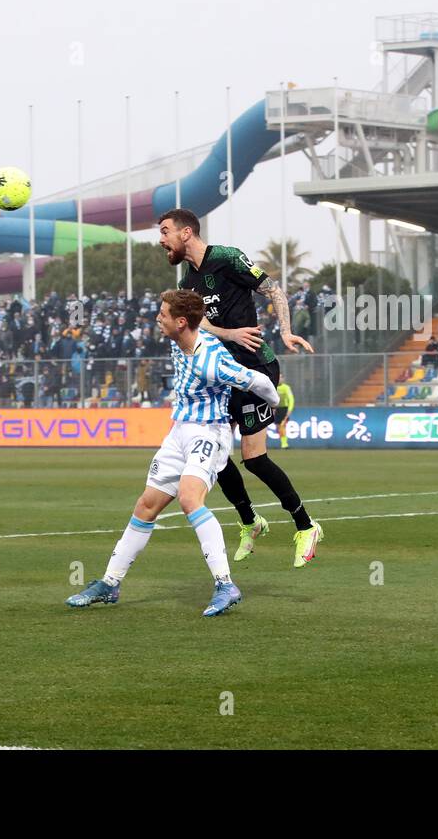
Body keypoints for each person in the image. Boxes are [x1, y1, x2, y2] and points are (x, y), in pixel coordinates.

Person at [65, 289, 281, 616]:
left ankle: (225, 584)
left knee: (189, 498)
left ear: (181, 322)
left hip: (209, 431)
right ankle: (110, 583)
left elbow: (257, 381)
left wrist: (275, 402)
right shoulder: (179, 338)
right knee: (146, 504)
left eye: (163, 314)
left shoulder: (212, 360)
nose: (157, 318)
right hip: (179, 430)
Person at [159, 208, 323, 568]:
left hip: (255, 367)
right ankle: (250, 521)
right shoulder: (189, 282)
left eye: (166, 231)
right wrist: (227, 333)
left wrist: (284, 331)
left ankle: (306, 525)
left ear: (187, 233)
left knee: (253, 458)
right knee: (217, 458)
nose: (161, 239)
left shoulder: (227, 258)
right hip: (221, 373)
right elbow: (198, 328)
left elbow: (274, 290)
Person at [274, 379, 295, 449]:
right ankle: (283, 442)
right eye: (278, 377)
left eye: (281, 378)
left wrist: (289, 410)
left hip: (284, 409)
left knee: (282, 426)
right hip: (276, 409)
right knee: (278, 428)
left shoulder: (286, 388)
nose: (279, 379)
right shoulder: (273, 386)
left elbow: (291, 399)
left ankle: (284, 444)